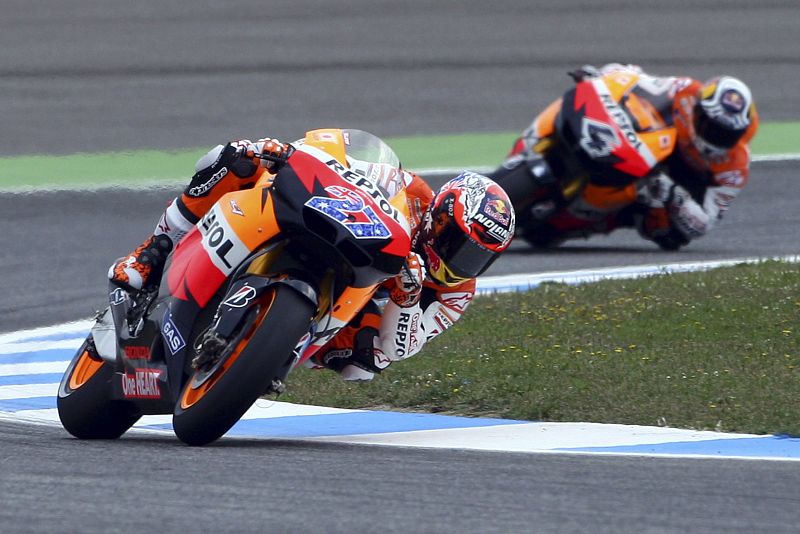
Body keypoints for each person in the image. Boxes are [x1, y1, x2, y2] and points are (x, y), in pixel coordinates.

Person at [109, 132, 516, 380]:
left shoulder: (457, 294)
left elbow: (400, 348)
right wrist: (290, 151)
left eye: (477, 256)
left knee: (366, 363)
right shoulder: (413, 193)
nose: (461, 262)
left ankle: (283, 346)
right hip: (345, 234)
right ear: (440, 219)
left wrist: (407, 298)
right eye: (458, 243)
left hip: (366, 301)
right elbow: (349, 162)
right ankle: (151, 251)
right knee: (234, 158)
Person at [501, 63, 759, 250]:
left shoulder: (734, 169)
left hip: (657, 191)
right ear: (699, 111)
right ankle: (529, 148)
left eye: (724, 133)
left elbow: (703, 223)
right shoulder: (685, 92)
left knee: (666, 230)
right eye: (708, 125)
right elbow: (639, 79)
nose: (713, 135)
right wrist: (605, 75)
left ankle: (587, 221)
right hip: (637, 144)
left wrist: (674, 194)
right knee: (584, 100)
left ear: (741, 134)